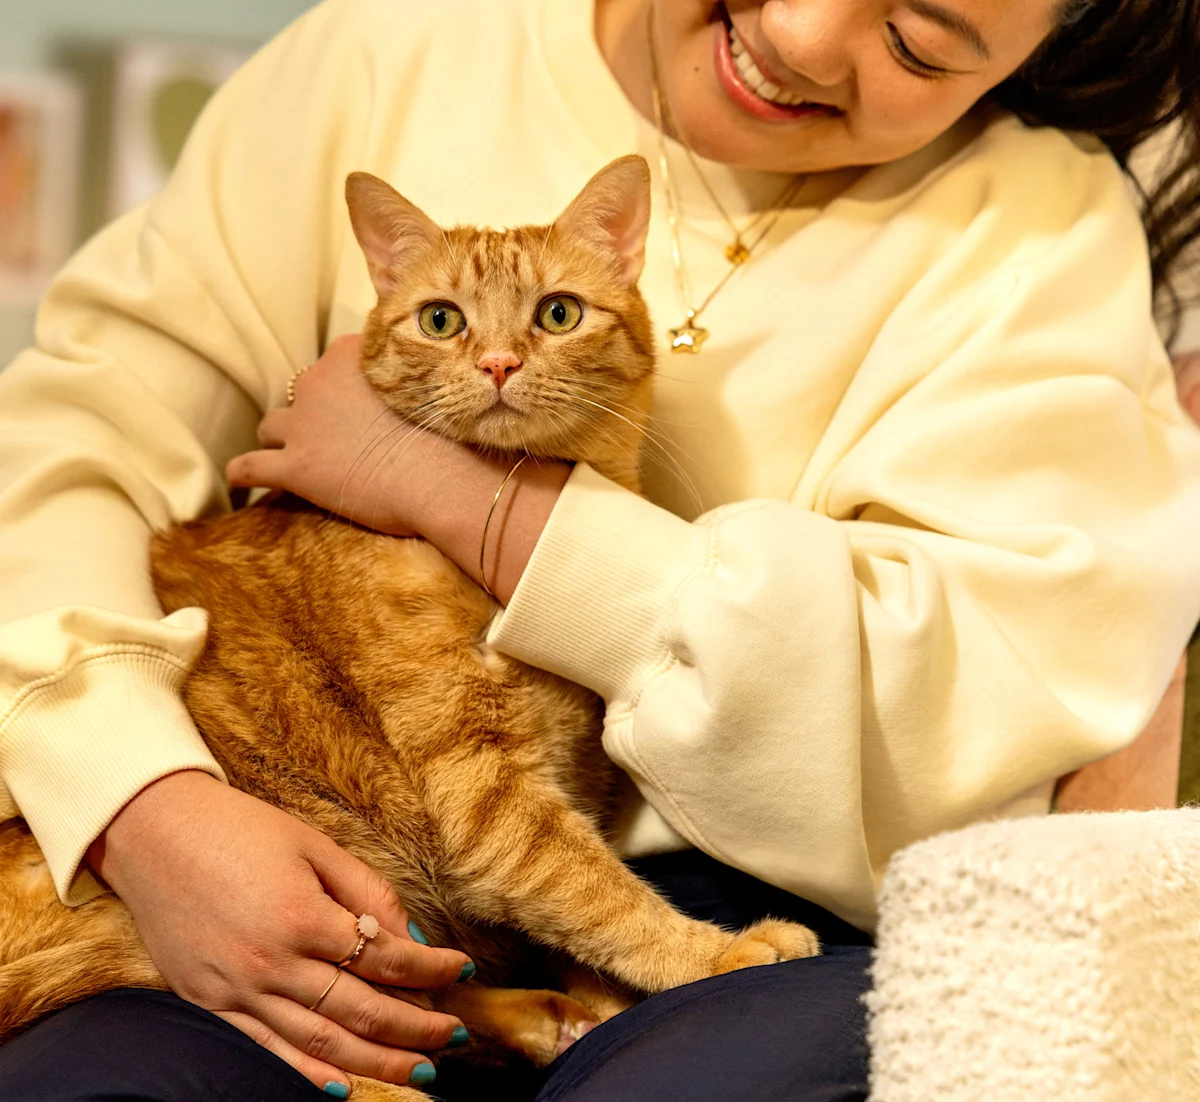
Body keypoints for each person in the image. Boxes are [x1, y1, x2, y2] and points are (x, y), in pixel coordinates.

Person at [1, 0, 1199, 1098]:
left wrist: (484, 510)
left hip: (765, 900)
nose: (797, 35)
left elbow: (1002, 717)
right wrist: (144, 805)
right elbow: (65, 457)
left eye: (917, 41)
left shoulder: (1040, 220)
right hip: (227, 831)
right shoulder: (387, 46)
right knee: (106, 1082)